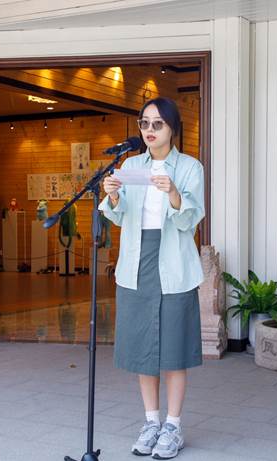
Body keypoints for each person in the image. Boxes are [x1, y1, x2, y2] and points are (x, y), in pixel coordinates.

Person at [98, 97, 205, 459]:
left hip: (174, 263)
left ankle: (173, 426)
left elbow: (190, 220)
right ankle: (150, 422)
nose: (149, 130)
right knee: (143, 347)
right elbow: (119, 216)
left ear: (173, 128)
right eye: (144, 123)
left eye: (158, 124)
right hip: (136, 261)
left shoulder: (190, 167)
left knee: (174, 348)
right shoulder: (131, 165)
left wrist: (173, 192)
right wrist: (113, 197)